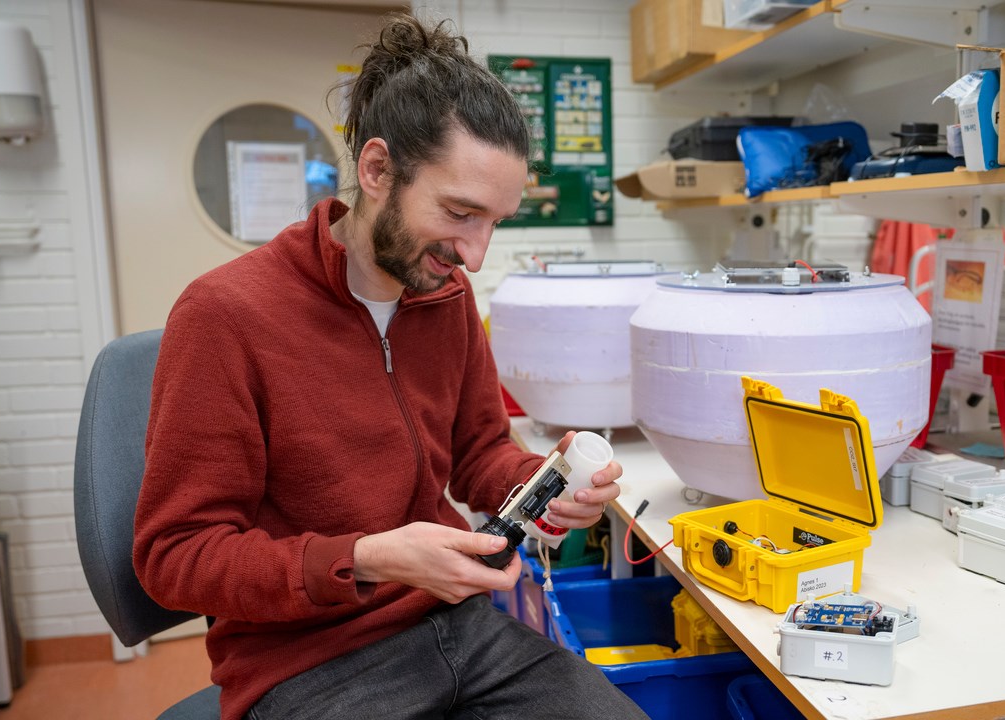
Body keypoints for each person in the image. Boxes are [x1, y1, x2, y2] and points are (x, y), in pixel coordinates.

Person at [133, 14, 648, 720]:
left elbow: (478, 455)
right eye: (460, 212)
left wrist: (539, 485)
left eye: (495, 221)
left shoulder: (449, 297)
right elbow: (176, 557)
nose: (475, 254)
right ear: (376, 170)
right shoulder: (225, 316)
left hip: (459, 624)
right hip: (306, 664)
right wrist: (370, 558)